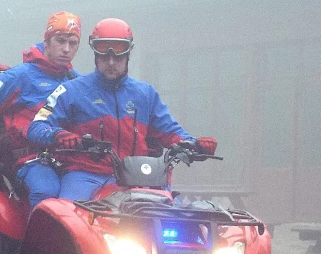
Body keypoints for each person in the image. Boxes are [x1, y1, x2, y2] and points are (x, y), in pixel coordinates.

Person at [27, 18, 218, 202]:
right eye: (104, 54)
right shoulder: (70, 90)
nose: (111, 62)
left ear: (129, 52)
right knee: (65, 218)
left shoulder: (146, 94)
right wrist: (59, 136)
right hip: (85, 176)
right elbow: (36, 127)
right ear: (94, 52)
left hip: (140, 178)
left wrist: (194, 145)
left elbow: (170, 131)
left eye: (117, 54)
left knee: (173, 223)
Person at [0, 11, 82, 209]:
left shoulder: (76, 81)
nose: (66, 49)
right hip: (26, 159)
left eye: (73, 43)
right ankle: (40, 240)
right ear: (48, 41)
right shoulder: (18, 77)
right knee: (47, 193)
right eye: (60, 41)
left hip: (67, 159)